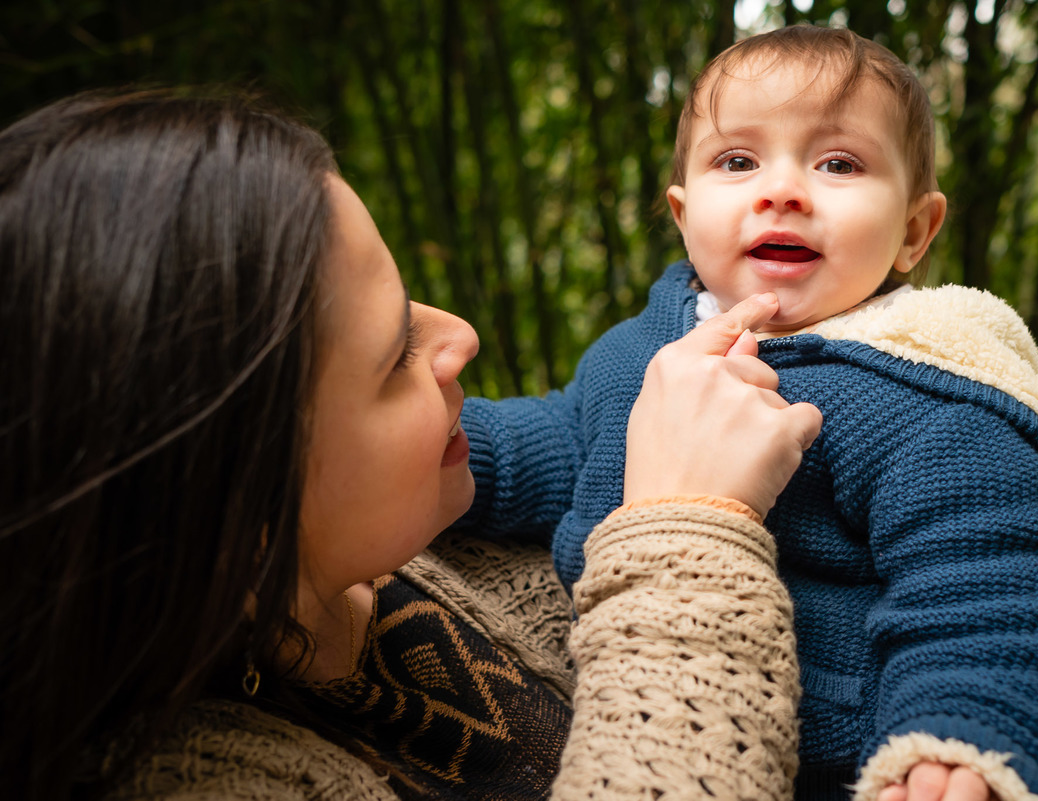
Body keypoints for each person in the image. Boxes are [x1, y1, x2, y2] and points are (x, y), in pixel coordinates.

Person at [0, 89, 824, 801]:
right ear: (225, 504)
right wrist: (685, 529)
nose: (459, 335)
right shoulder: (196, 777)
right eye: (395, 351)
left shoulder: (417, 548)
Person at [455, 24, 1038, 801]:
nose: (782, 190)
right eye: (737, 161)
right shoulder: (638, 348)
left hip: (839, 760)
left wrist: (965, 736)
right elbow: (563, 440)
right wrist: (454, 444)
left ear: (914, 230)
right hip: (617, 711)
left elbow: (989, 596)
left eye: (838, 163)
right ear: (682, 212)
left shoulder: (930, 400)